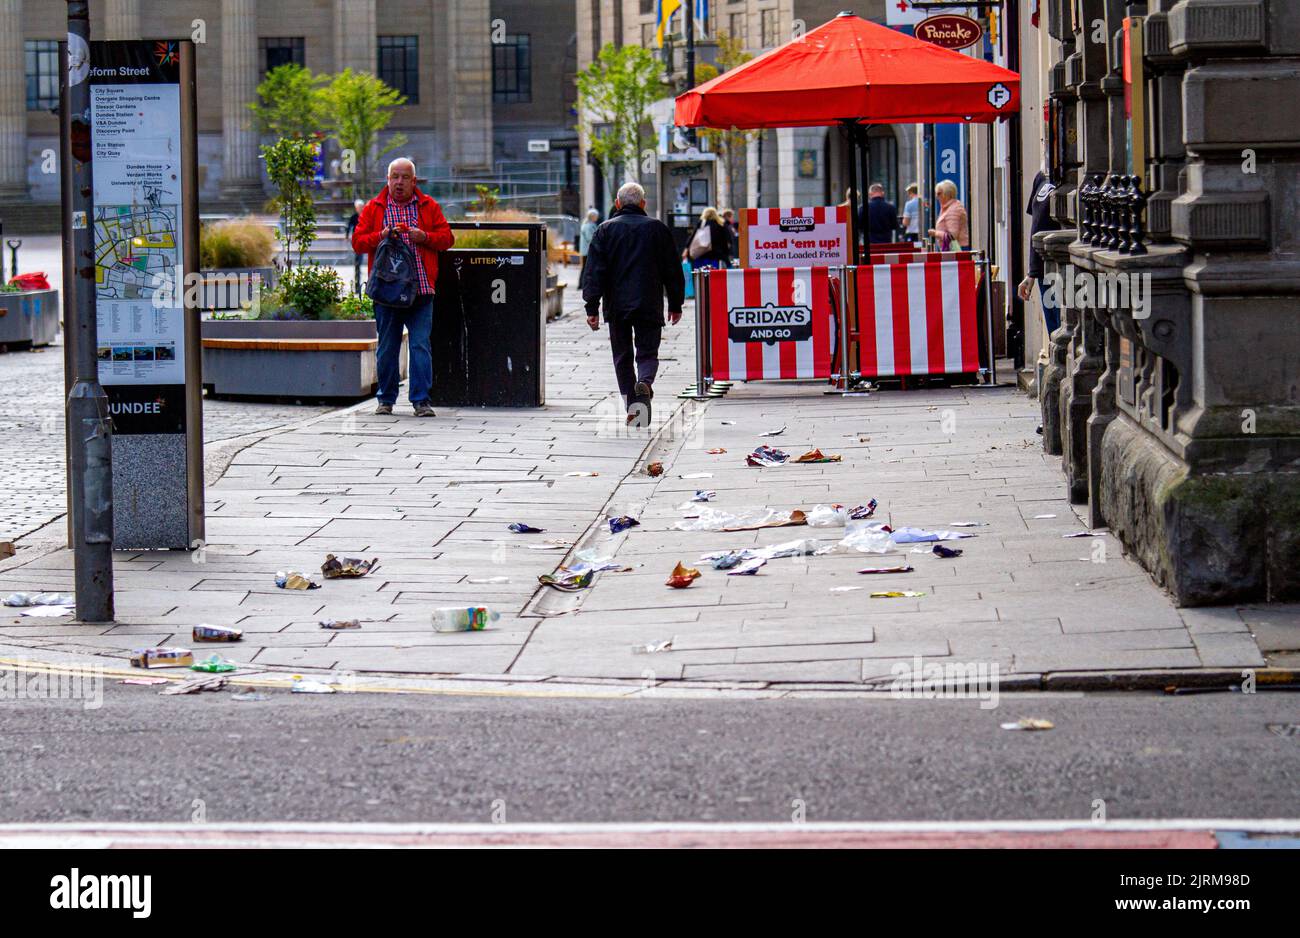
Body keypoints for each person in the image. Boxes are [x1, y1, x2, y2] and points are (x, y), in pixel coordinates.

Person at [351, 157, 455, 417]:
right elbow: (358, 242)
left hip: (421, 290)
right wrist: (381, 236)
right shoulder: (375, 208)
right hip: (387, 292)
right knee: (387, 346)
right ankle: (385, 400)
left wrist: (425, 237)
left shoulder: (428, 206)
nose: (399, 182)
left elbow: (447, 239)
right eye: (394, 177)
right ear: (387, 180)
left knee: (420, 345)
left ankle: (421, 401)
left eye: (404, 177)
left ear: (414, 181)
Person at [583, 181, 685, 427]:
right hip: (649, 302)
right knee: (648, 352)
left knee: (622, 356)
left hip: (617, 305)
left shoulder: (605, 230)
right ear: (643, 204)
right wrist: (675, 303)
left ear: (617, 204)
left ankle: (634, 407)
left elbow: (594, 272)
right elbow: (672, 269)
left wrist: (591, 307)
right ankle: (646, 382)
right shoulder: (658, 229)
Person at [1017, 168, 1063, 335]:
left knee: (1061, 334)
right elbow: (1036, 226)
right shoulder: (1041, 176)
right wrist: (1032, 274)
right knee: (1054, 334)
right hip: (1044, 270)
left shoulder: (1064, 175)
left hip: (1061, 266)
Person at [683, 206, 732, 271]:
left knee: (700, 275)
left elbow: (693, 237)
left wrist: (686, 249)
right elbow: (727, 240)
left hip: (701, 254)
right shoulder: (721, 224)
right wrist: (726, 253)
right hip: (715, 255)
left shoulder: (702, 223)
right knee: (714, 274)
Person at [928, 179, 970, 251]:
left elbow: (952, 236)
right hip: (951, 249)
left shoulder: (953, 209)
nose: (937, 197)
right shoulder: (947, 207)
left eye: (939, 193)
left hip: (956, 250)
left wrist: (935, 233)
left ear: (947, 194)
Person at [578, 209, 599, 287]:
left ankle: (582, 284)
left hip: (585, 250)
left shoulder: (587, 224)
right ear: (592, 216)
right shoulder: (589, 226)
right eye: (596, 216)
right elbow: (590, 238)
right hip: (587, 250)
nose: (597, 217)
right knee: (586, 268)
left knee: (585, 268)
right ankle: (582, 284)